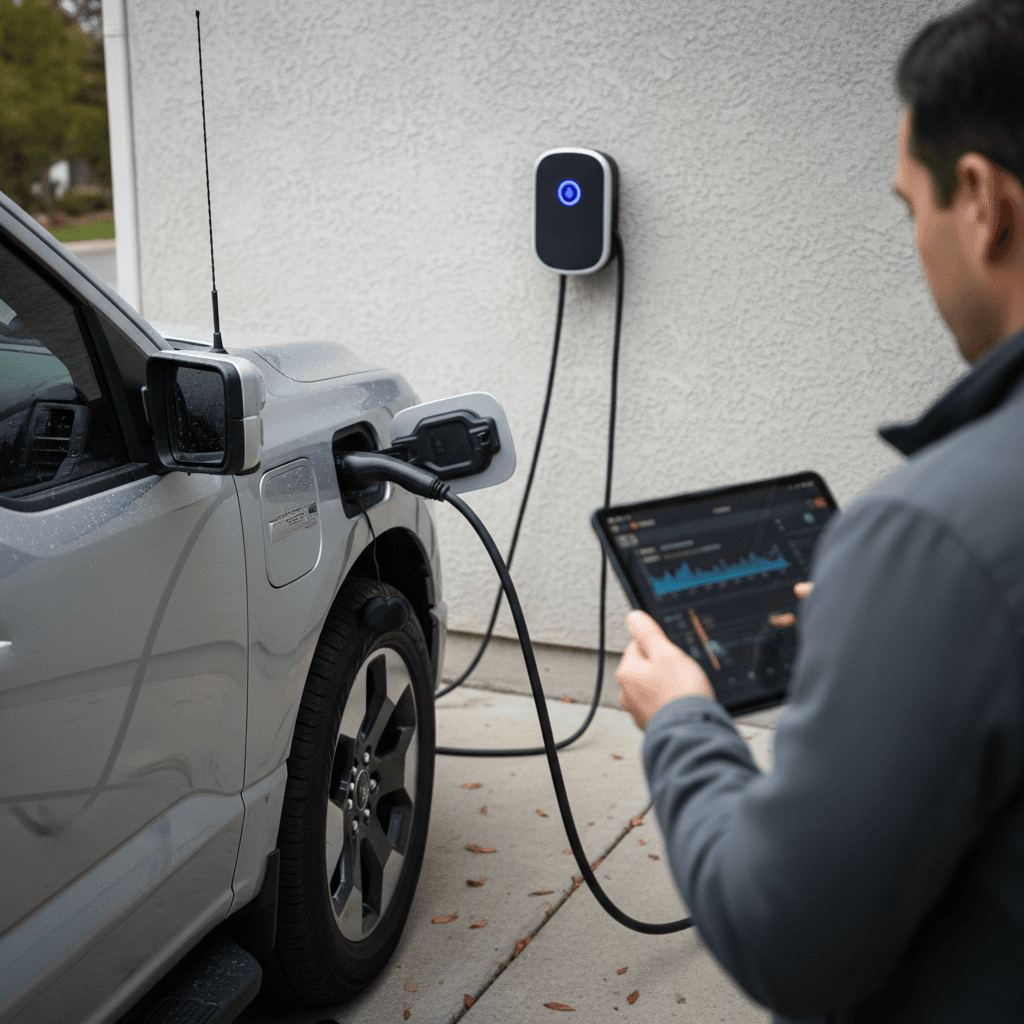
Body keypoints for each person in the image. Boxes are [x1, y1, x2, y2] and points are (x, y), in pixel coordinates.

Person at [614, 2, 1024, 1021]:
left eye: (907, 206)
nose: (916, 238)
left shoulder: (930, 537)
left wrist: (681, 722)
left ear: (979, 201)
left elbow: (786, 939)